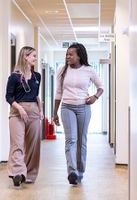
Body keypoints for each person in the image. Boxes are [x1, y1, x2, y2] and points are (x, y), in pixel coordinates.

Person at [53, 43, 104, 185]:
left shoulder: (89, 70)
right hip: (66, 107)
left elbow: (101, 87)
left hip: (84, 107)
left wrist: (95, 97)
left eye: (71, 54)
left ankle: (80, 171)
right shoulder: (62, 70)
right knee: (71, 140)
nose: (68, 56)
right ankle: (72, 171)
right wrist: (54, 113)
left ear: (79, 56)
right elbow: (58, 92)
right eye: (67, 54)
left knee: (82, 140)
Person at [5, 46, 44, 187]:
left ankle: (30, 174)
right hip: (17, 112)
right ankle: (17, 173)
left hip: (34, 112)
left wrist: (40, 110)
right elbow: (8, 97)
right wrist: (19, 108)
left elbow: (36, 96)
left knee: (33, 145)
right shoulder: (14, 77)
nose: (35, 58)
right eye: (33, 55)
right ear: (25, 57)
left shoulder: (37, 76)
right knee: (18, 143)